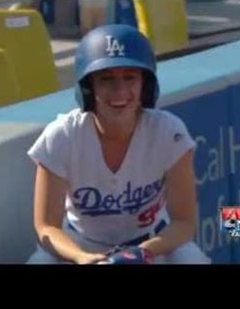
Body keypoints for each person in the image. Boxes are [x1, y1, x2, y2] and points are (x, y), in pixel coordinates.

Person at [26, 24, 210, 264]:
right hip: (81, 245)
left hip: (152, 243)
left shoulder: (168, 131)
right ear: (88, 87)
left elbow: (184, 223)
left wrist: (144, 252)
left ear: (145, 83)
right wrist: (83, 258)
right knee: (41, 262)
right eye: (106, 79)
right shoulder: (62, 136)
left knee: (190, 258)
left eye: (130, 77)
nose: (120, 90)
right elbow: (46, 227)